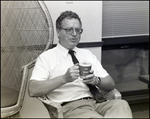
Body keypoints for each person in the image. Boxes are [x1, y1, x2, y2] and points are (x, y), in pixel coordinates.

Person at [28, 11, 133, 118]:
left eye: (78, 30)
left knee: (121, 105)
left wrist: (96, 80)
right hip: (71, 107)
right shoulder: (47, 57)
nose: (74, 34)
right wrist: (64, 78)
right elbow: (33, 90)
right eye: (69, 30)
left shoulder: (87, 54)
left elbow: (111, 84)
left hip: (96, 102)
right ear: (58, 32)